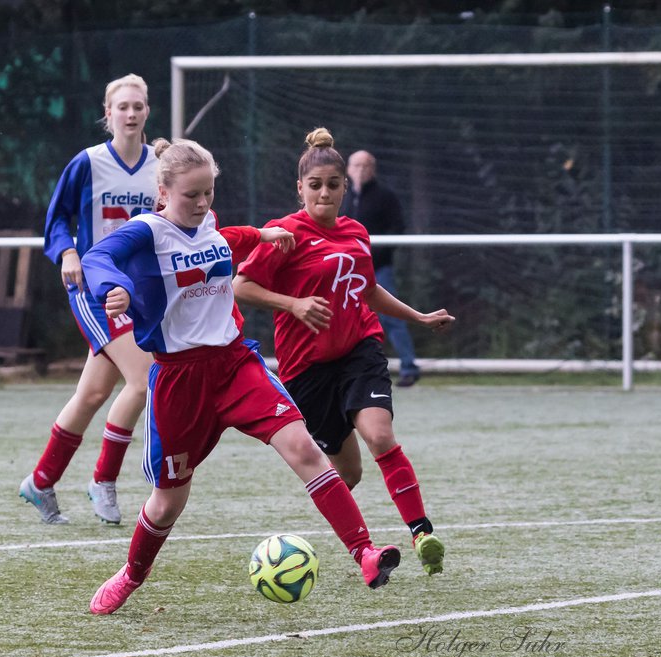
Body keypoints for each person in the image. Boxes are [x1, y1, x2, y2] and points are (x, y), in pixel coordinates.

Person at [79, 137, 403, 615]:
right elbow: (96, 259)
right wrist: (119, 288)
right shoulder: (146, 232)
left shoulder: (205, 221)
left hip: (235, 365)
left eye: (209, 192)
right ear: (164, 192)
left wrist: (262, 235)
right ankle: (131, 575)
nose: (204, 203)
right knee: (168, 503)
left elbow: (222, 239)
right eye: (192, 195)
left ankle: (366, 554)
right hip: (179, 381)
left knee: (304, 448)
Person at [233, 129, 453, 576]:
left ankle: (421, 533)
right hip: (307, 370)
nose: (324, 192)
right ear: (300, 188)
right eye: (315, 185)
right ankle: (352, 545)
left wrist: (419, 317)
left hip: (358, 351)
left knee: (380, 436)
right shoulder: (285, 233)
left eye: (333, 184)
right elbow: (241, 286)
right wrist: (292, 304)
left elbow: (367, 291)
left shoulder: (356, 233)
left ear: (344, 187)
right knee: (347, 474)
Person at [19, 73, 159, 526]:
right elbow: (56, 218)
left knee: (94, 391)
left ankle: (40, 482)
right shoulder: (88, 163)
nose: (131, 113)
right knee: (143, 378)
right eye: (123, 107)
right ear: (108, 114)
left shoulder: (162, 162)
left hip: (138, 292)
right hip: (96, 289)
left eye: (138, 106)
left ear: (147, 110)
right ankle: (104, 479)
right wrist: (68, 252)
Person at [341, 149, 420, 387]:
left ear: (373, 169)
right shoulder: (341, 198)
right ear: (348, 169)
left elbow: (397, 229)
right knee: (345, 316)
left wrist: (373, 255)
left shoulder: (385, 197)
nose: (360, 170)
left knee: (392, 316)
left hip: (378, 269)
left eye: (365, 166)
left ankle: (408, 367)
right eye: (356, 165)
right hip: (345, 271)